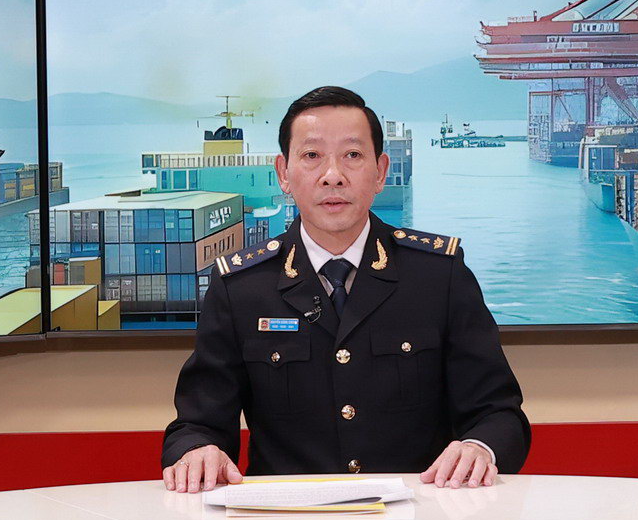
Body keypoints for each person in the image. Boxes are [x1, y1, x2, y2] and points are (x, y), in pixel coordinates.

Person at [163, 85, 529, 491]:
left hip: (420, 512)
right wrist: (199, 449)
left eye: (352, 155)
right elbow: (197, 424)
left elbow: (499, 413)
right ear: (283, 173)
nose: (333, 175)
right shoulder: (241, 287)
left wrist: (479, 447)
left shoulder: (438, 275)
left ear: (381, 171)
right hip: (286, 516)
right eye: (312, 156)